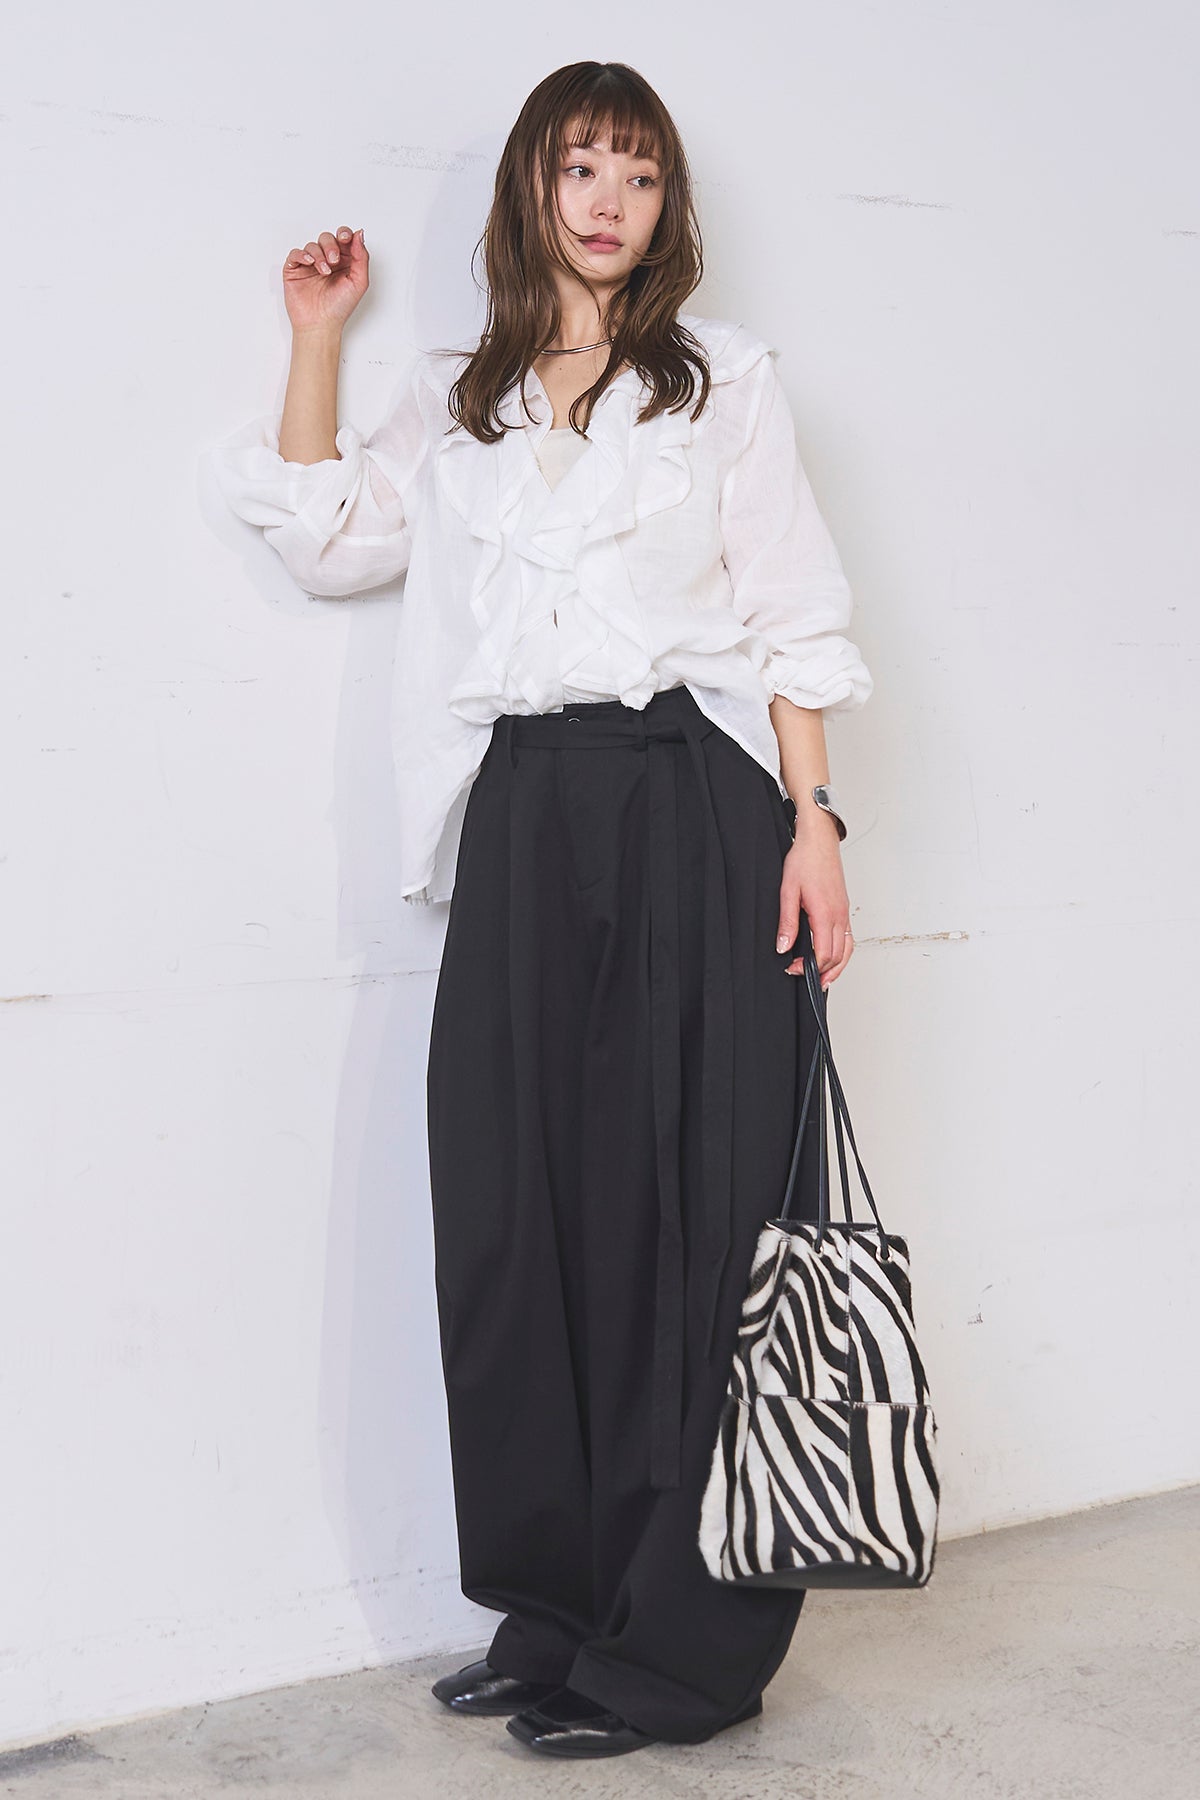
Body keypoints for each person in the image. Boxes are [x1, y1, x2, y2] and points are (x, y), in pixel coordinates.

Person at [211, 59, 872, 1761]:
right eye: (581, 168)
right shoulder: (465, 400)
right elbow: (327, 534)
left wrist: (813, 824)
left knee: (683, 1227)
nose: (607, 202)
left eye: (637, 175)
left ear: (667, 206)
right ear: (533, 187)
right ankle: (558, 1610)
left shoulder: (722, 383)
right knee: (519, 1216)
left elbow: (792, 612)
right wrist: (315, 336)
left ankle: (683, 1653)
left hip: (690, 807)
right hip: (519, 814)